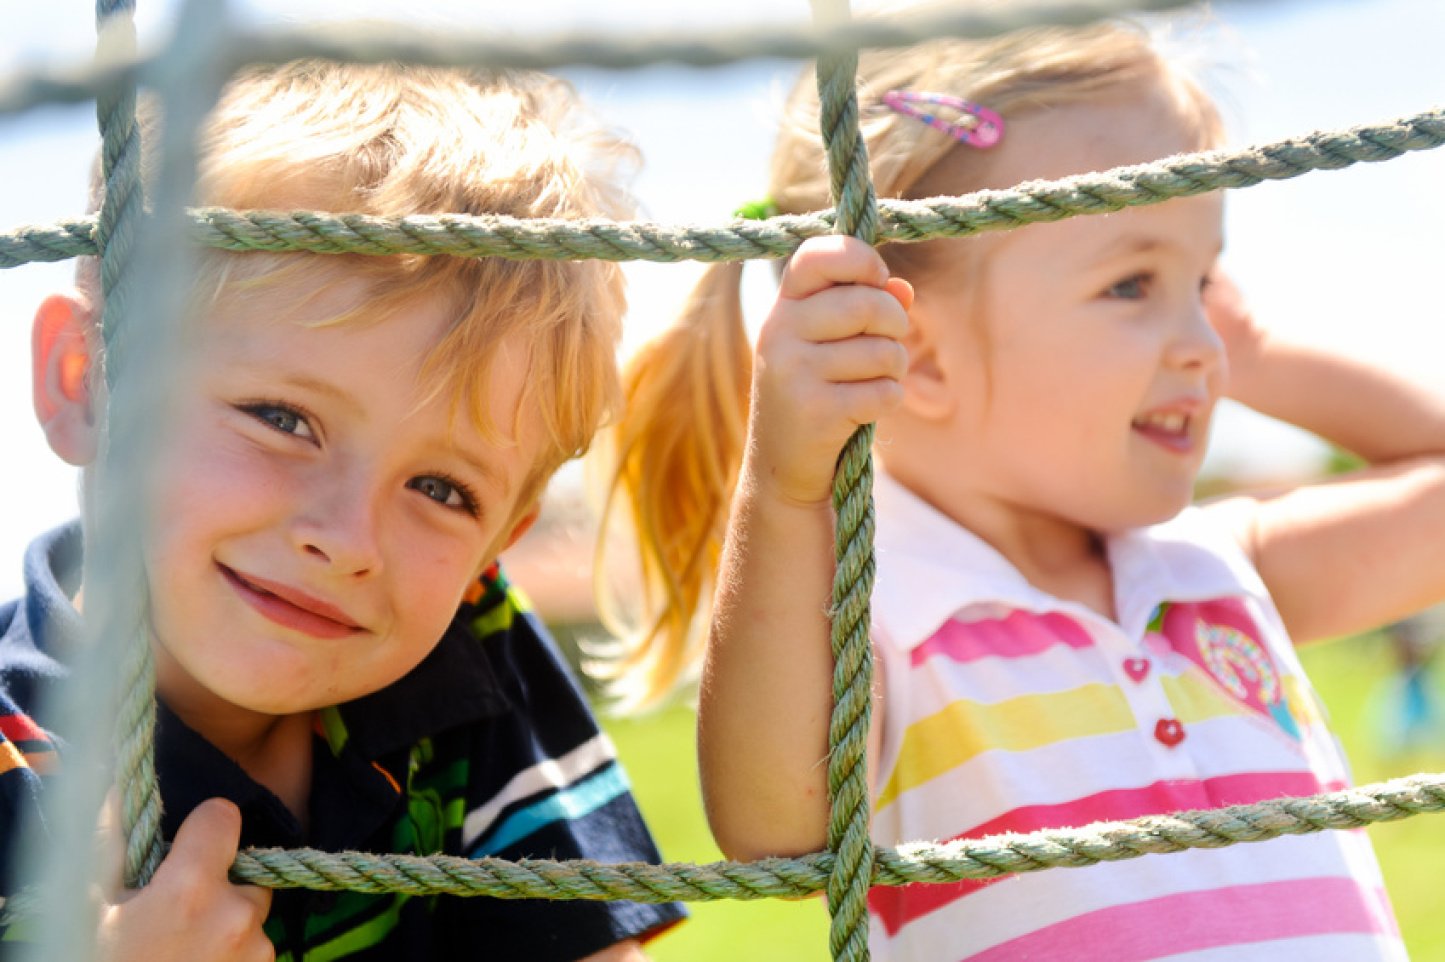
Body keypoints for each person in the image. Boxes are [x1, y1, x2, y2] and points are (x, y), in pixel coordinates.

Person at [604, 21, 1442, 960]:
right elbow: (771, 820)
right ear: (914, 353)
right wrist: (790, 488)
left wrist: (1258, 354)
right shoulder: (883, 617)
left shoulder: (1219, 570)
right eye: (1132, 284)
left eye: (1203, 280)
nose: (1200, 343)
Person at [0, 62, 685, 960]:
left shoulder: (461, 660)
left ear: (496, 542)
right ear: (86, 382)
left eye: (442, 490)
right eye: (283, 420)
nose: (348, 541)